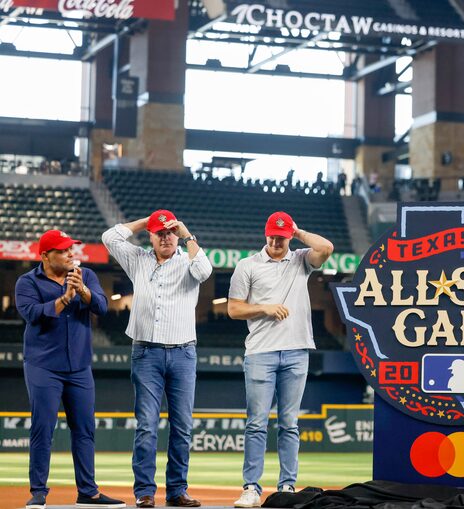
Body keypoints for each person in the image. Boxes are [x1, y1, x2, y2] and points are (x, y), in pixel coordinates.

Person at [102, 210, 212, 508]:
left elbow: (205, 271)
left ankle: (177, 490)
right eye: (159, 232)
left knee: (182, 425)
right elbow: (109, 237)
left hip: (182, 352)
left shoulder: (189, 260)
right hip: (146, 352)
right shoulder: (138, 258)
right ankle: (145, 491)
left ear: (177, 234)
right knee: (147, 424)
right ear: (150, 236)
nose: (165, 237)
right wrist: (145, 222)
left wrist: (185, 231)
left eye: (169, 232)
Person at [228, 211, 333, 507]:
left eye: (282, 236)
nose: (276, 240)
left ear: (289, 236)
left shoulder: (301, 259)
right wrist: (265, 308)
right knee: (256, 423)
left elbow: (326, 248)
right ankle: (251, 488)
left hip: (297, 350)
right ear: (265, 234)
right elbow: (234, 309)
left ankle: (287, 486)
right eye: (272, 235)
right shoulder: (247, 265)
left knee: (289, 424)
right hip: (260, 351)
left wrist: (298, 233)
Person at [15, 230, 124, 509]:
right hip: (43, 365)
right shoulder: (27, 282)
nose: (70, 254)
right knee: (43, 428)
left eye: (70, 249)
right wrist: (65, 298)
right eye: (63, 250)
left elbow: (101, 306)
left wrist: (83, 291)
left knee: (85, 429)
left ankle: (88, 492)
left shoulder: (85, 276)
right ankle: (38, 492)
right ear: (45, 256)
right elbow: (32, 314)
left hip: (79, 366)